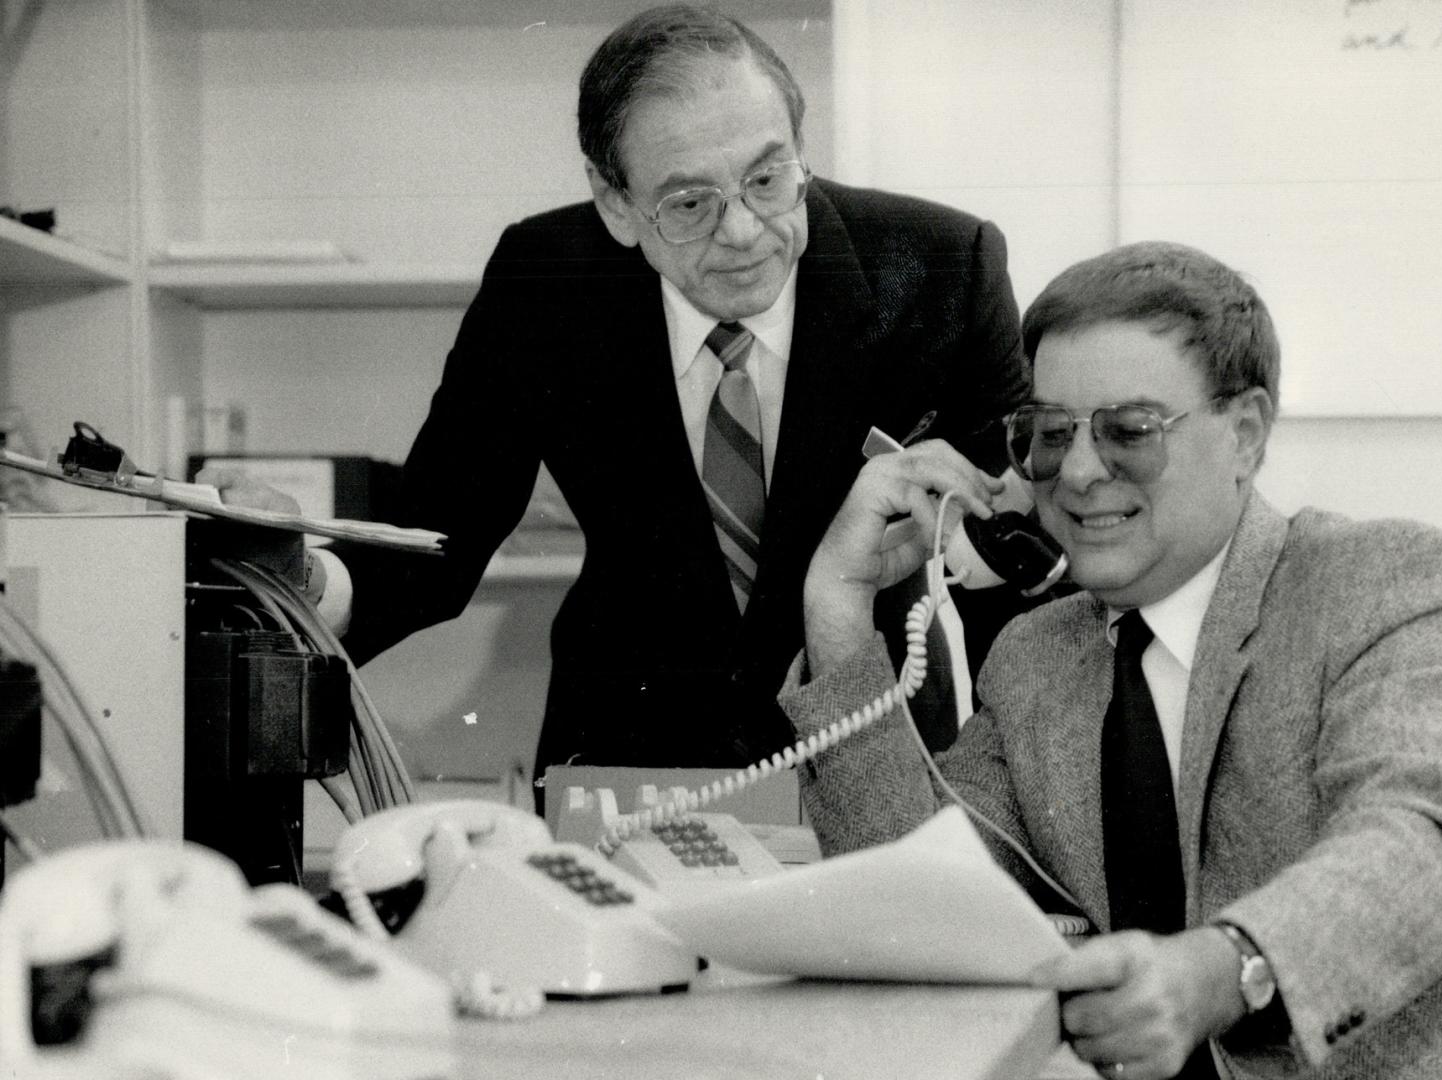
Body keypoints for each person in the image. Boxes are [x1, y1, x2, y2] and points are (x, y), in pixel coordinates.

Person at [779, 241, 1442, 1078]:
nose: (1075, 471)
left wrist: (1218, 970)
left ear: (1245, 435)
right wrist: (838, 599)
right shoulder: (1036, 661)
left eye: (1128, 432)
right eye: (1048, 433)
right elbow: (916, 897)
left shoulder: (1380, 584)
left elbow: (1423, 845)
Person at [210, 5, 1029, 784]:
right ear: (615, 203)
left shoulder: (941, 269)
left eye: (767, 179)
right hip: (626, 746)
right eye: (688, 203)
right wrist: (305, 581)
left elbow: (1016, 547)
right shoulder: (546, 281)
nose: (742, 230)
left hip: (877, 740)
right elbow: (439, 533)